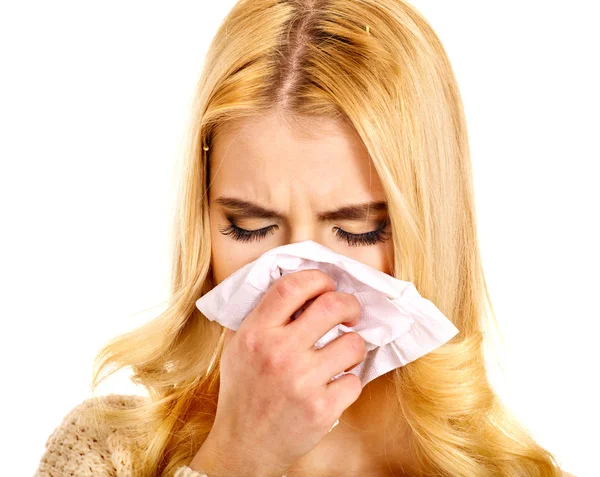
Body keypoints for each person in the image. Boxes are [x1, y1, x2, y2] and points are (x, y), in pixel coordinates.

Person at [34, 0, 576, 476]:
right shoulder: (105, 455)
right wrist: (236, 461)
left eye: (357, 229)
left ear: (429, 227)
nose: (300, 278)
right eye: (250, 226)